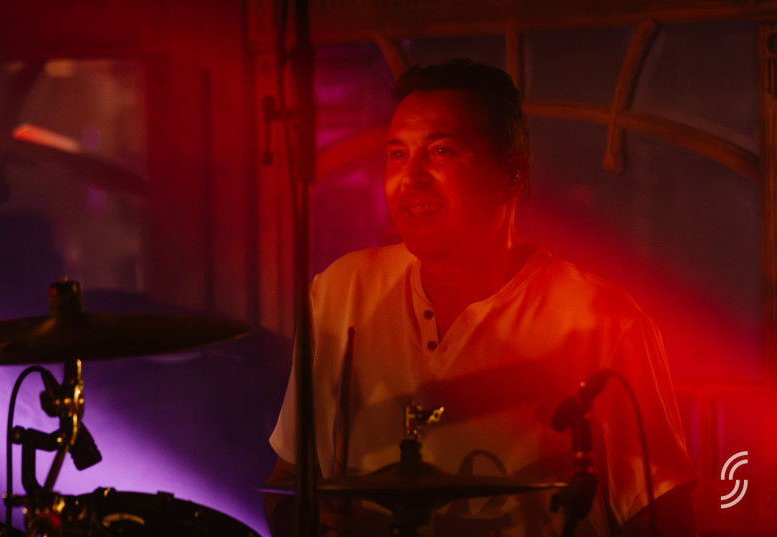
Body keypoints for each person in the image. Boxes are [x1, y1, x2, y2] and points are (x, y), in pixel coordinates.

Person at [263, 58, 698, 536]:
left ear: (512, 174)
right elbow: (286, 484)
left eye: (442, 151)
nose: (411, 177)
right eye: (397, 154)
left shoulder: (603, 321)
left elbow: (663, 516)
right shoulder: (340, 291)